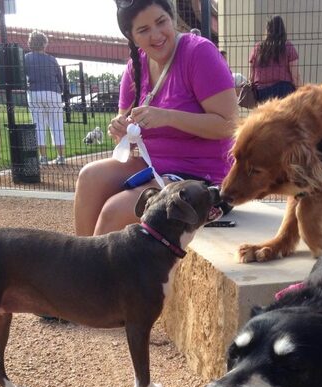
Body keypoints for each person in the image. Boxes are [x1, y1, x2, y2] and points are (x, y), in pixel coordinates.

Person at [73, 0, 237, 236]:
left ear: (171, 18)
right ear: (131, 36)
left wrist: (168, 116)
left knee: (115, 210)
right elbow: (126, 134)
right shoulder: (135, 67)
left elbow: (229, 126)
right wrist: (121, 131)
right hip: (156, 167)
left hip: (207, 179)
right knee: (89, 176)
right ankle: (84, 264)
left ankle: (96, 271)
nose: (156, 35)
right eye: (143, 30)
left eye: (161, 22)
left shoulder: (198, 52)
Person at [24, 31, 66, 166]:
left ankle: (43, 157)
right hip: (53, 92)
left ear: (30, 43)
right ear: (44, 43)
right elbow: (60, 78)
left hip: (35, 92)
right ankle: (61, 156)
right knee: (57, 125)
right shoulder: (52, 59)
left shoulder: (26, 58)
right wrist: (62, 91)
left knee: (38, 125)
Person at [248, 15, 299, 103]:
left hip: (261, 91)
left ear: (267, 29)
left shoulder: (257, 48)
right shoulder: (288, 47)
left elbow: (251, 75)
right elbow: (295, 76)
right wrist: (300, 91)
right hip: (283, 90)